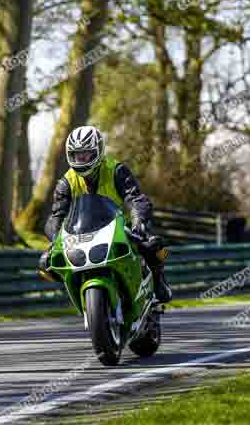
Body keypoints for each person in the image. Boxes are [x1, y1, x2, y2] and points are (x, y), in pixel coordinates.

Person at [37, 125, 173, 303]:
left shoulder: (116, 170)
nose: (81, 158)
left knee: (153, 245)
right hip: (83, 233)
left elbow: (136, 199)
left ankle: (158, 280)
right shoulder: (66, 182)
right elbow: (57, 215)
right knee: (47, 263)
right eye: (77, 154)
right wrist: (56, 239)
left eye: (86, 153)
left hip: (121, 228)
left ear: (98, 151)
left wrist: (138, 222)